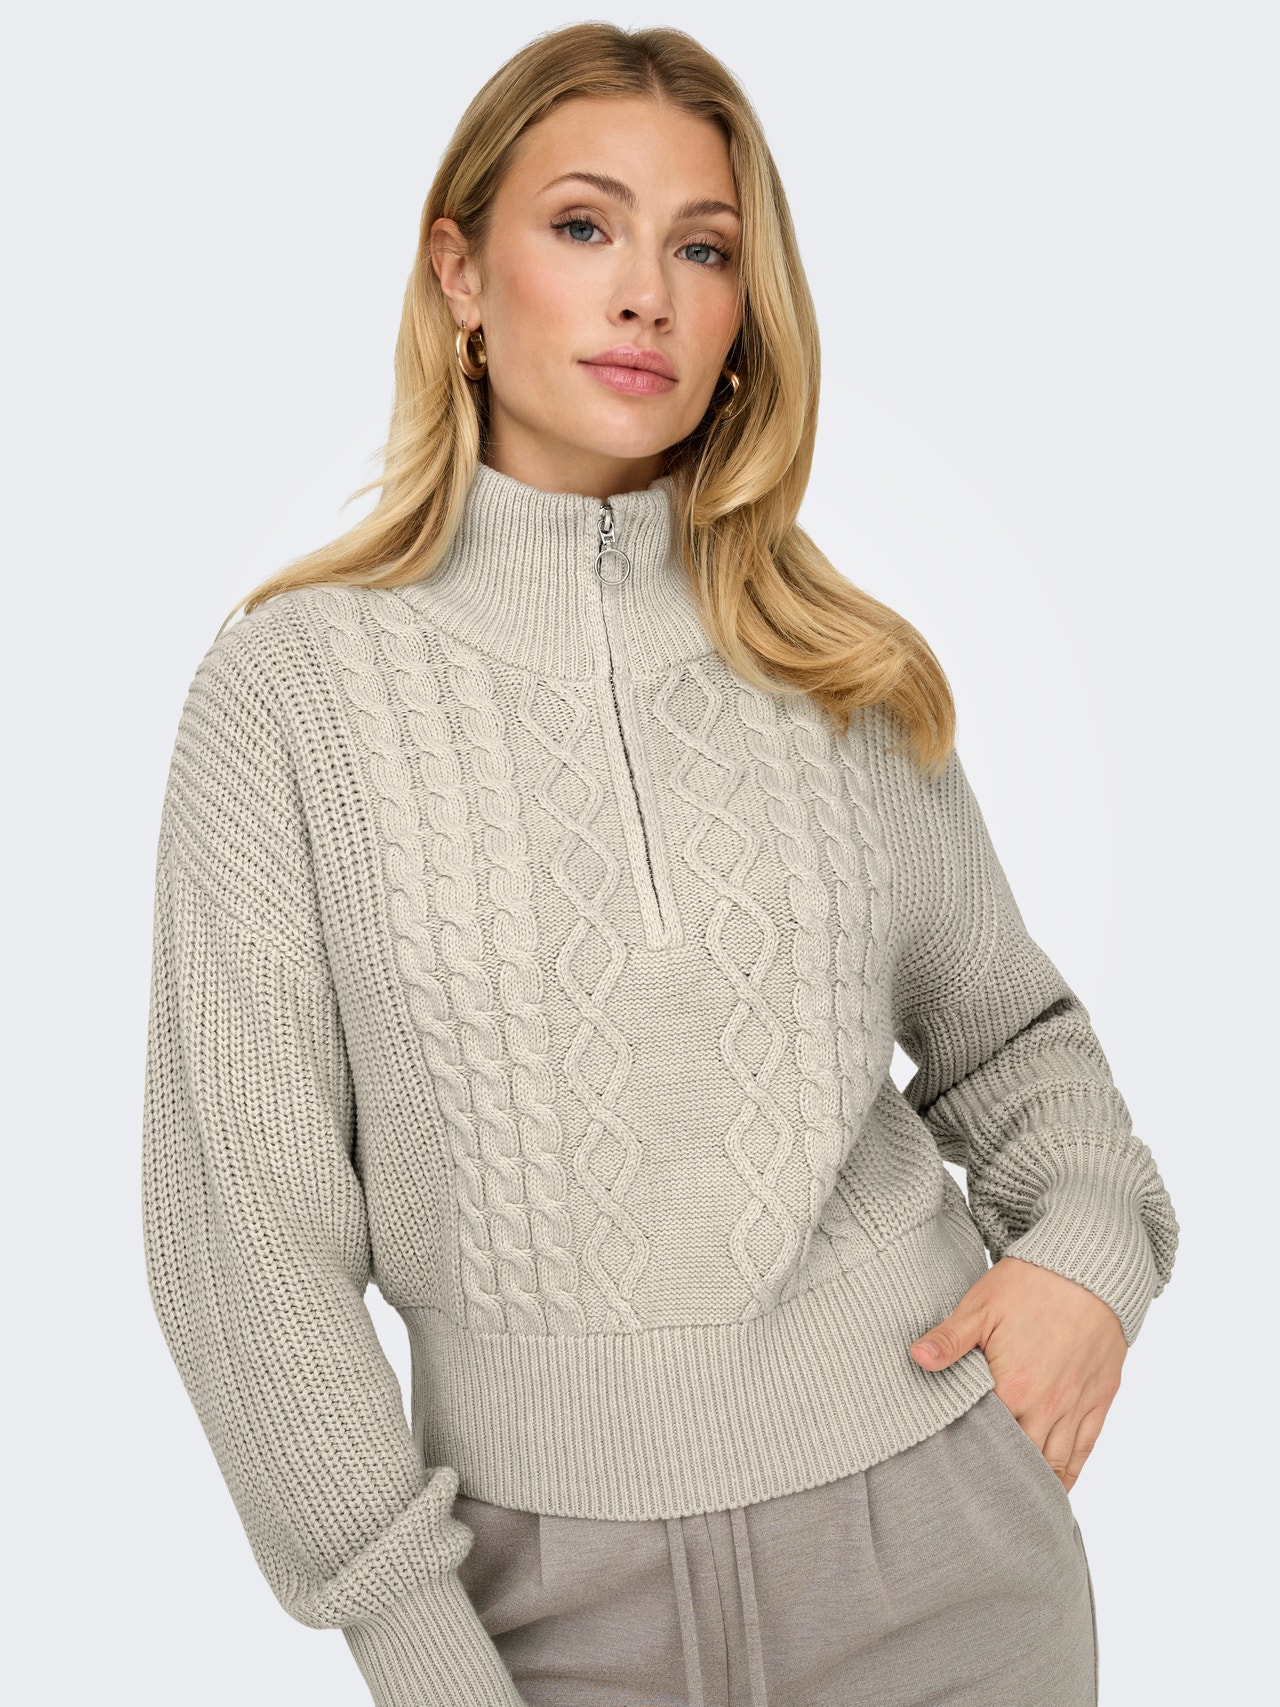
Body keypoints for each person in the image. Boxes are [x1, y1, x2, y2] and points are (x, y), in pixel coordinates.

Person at [140, 21, 1179, 1707]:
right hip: (535, 1613)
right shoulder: (290, 697)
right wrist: (413, 1643)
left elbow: (1012, 1040)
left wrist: (1086, 1260)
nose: (647, 295)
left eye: (703, 250)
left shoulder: (829, 662)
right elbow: (242, 1240)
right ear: (459, 272)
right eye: (584, 226)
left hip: (943, 1563)